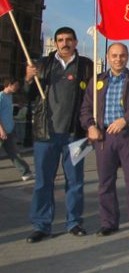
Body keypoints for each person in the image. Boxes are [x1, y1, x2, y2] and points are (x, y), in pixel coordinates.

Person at [24, 26, 94, 243]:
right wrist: (28, 79)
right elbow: (28, 96)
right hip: (46, 135)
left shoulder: (85, 66)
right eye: (60, 40)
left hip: (77, 135)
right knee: (43, 182)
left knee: (76, 181)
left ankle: (74, 222)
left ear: (75, 42)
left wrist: (92, 125)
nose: (65, 43)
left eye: (69, 40)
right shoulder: (42, 65)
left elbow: (92, 98)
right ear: (55, 43)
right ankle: (41, 225)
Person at [79, 43, 129, 236]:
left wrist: (125, 120)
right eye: (114, 55)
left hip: (128, 137)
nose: (118, 59)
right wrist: (90, 126)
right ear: (108, 57)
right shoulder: (96, 81)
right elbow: (85, 109)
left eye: (122, 55)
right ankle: (108, 222)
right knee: (105, 182)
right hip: (104, 138)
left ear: (127, 57)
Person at [0, 79, 33, 181]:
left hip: (9, 130)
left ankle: (26, 172)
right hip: (2, 131)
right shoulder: (0, 96)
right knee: (14, 152)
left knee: (14, 152)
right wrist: (1, 130)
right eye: (16, 85)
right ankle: (26, 171)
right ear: (9, 84)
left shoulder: (9, 96)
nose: (17, 88)